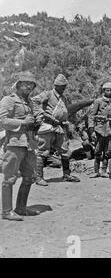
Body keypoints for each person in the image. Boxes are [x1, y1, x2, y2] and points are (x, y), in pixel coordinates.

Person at [0, 72, 40, 221]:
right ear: (18, 85)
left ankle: (21, 208)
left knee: (29, 177)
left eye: (31, 84)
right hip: (14, 143)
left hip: (29, 144)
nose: (29, 86)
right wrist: (23, 122)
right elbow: (2, 120)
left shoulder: (30, 102)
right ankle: (6, 211)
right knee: (9, 178)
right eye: (25, 83)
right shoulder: (8, 100)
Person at [31, 74, 80, 186]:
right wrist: (43, 114)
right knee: (43, 151)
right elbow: (34, 102)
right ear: (56, 86)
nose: (64, 88)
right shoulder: (47, 94)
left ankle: (66, 174)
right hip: (47, 127)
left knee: (65, 150)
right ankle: (38, 177)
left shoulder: (63, 98)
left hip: (59, 128)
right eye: (62, 86)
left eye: (64, 86)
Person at [88, 82, 111, 178]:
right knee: (97, 151)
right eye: (107, 90)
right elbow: (91, 116)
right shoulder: (98, 101)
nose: (109, 92)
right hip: (100, 130)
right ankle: (96, 171)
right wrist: (91, 130)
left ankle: (103, 170)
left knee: (108, 151)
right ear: (103, 91)